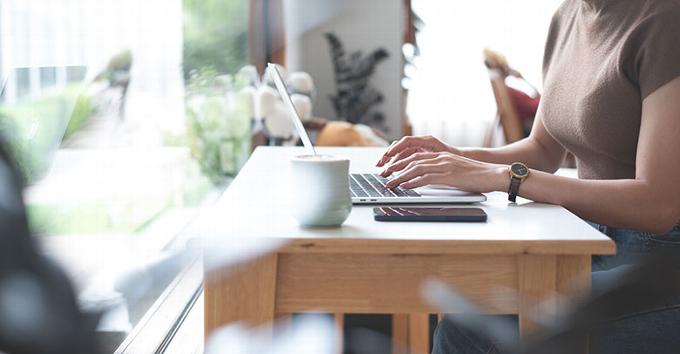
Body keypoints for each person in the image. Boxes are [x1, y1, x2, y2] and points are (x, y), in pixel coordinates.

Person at [376, 0, 680, 352]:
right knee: (465, 312)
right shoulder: (568, 17)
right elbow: (542, 150)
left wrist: (505, 177)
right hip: (588, 234)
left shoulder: (666, 20)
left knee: (476, 329)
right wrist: (455, 159)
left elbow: (658, 206)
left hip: (660, 264)